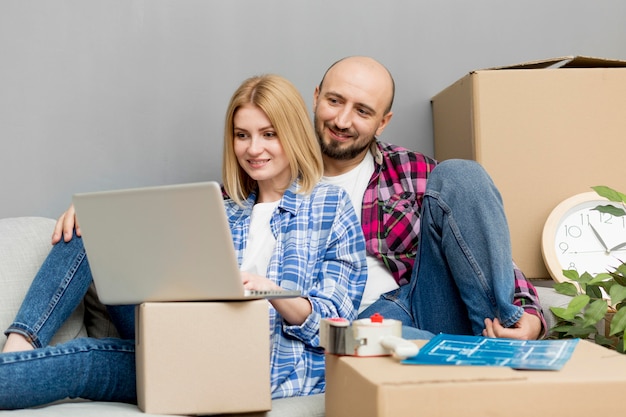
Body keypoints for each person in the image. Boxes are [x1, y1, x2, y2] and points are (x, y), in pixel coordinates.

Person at [0, 74, 367, 409]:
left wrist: (273, 292)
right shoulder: (222, 210)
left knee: (85, 360)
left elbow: (337, 328)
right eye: (242, 135)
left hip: (246, 367)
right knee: (89, 225)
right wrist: (98, 221)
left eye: (268, 134)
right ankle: (16, 347)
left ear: (292, 133)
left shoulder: (330, 206)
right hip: (180, 337)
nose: (253, 149)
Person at [313, 56, 545, 340]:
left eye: (362, 111)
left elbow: (478, 246)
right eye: (334, 101)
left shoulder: (410, 170)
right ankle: (452, 355)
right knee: (362, 335)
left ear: (382, 122)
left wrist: (529, 314)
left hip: (424, 306)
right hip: (346, 325)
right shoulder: (279, 175)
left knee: (460, 174)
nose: (342, 120)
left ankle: (503, 333)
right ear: (316, 97)